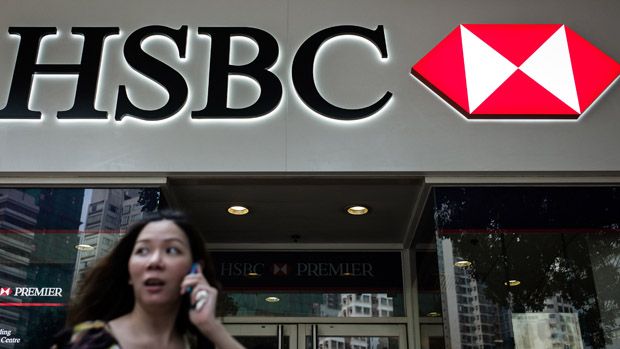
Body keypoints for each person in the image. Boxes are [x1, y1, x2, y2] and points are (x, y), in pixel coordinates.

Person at [52, 210, 245, 349]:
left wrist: (211, 327)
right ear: (128, 272)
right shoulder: (87, 341)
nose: (155, 261)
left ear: (194, 271)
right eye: (143, 251)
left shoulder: (196, 343)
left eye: (172, 250)